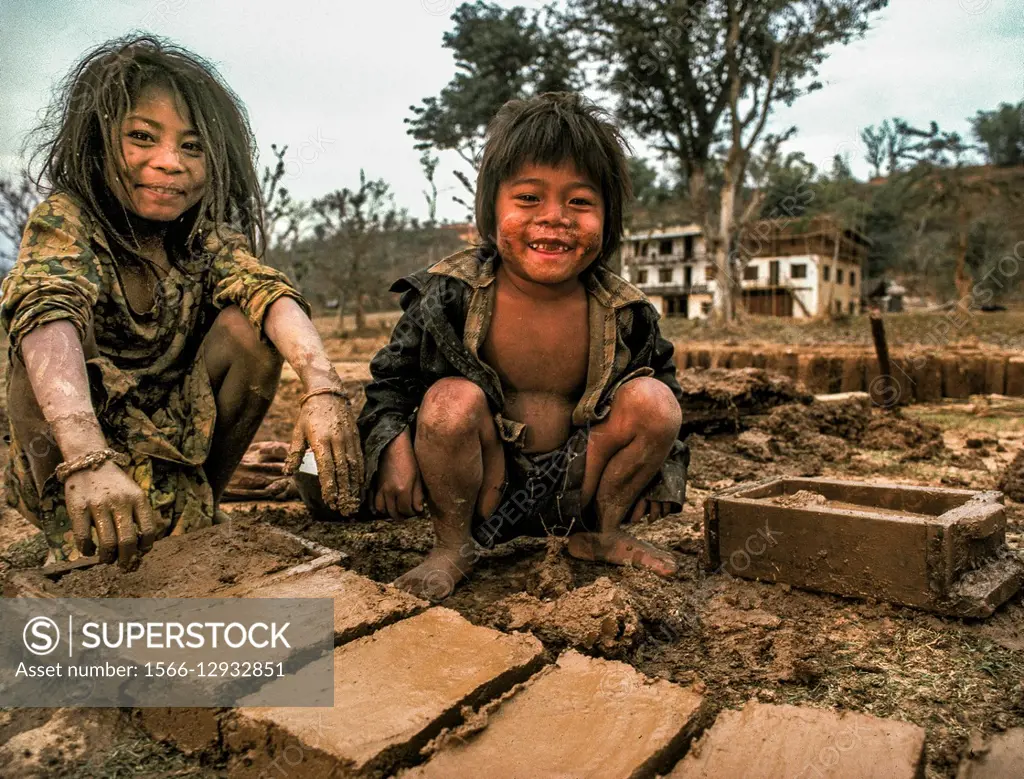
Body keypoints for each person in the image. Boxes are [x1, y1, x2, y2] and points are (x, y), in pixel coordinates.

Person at [1, 35, 362, 568]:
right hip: (76, 453)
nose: (170, 162)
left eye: (192, 147)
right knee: (38, 354)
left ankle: (199, 506)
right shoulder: (66, 220)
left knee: (252, 328)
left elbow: (270, 292)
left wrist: (322, 388)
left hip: (175, 440)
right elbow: (46, 307)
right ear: (97, 144)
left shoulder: (203, 238)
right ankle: (73, 534)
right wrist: (86, 458)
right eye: (142, 137)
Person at [359, 92, 689, 601]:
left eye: (580, 202)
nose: (555, 217)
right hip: (484, 486)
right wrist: (389, 449)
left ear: (610, 218)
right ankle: (453, 546)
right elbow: (392, 383)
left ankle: (600, 533)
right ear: (491, 211)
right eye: (529, 198)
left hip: (582, 480)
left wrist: (660, 477)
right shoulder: (449, 293)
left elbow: (665, 386)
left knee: (654, 403)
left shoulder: (626, 311)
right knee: (449, 399)